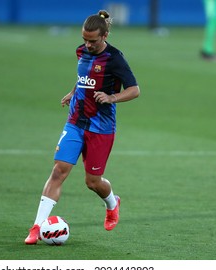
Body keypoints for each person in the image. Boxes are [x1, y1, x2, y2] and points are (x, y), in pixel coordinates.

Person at [24, 10, 140, 245]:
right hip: (75, 122)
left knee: (93, 182)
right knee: (59, 170)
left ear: (105, 35)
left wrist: (111, 98)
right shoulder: (81, 51)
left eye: (93, 41)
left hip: (101, 127)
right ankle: (36, 227)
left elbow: (134, 90)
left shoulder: (115, 58)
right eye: (85, 39)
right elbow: (84, 78)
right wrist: (73, 92)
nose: (87, 45)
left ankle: (112, 203)